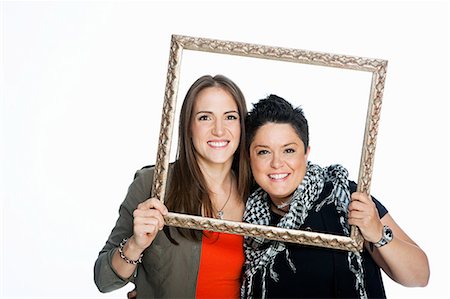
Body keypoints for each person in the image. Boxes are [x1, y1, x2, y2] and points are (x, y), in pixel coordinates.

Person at [242, 94, 429, 298]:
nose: (277, 163)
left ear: (306, 153)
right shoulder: (247, 216)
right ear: (249, 157)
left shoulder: (343, 197)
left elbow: (419, 276)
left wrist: (376, 232)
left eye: (288, 150)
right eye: (263, 152)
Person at [94, 74, 251, 298]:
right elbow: (104, 279)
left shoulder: (258, 194)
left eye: (230, 117)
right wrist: (135, 245)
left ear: (242, 126)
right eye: (205, 117)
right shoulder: (152, 184)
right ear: (188, 126)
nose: (219, 130)